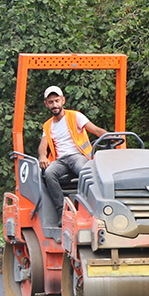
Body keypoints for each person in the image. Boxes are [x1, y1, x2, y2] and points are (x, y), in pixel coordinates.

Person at [37, 84, 106, 224]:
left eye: (57, 100)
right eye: (51, 102)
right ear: (46, 104)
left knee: (84, 171)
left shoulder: (75, 116)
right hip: (61, 160)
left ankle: (89, 210)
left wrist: (115, 138)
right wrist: (43, 156)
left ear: (63, 100)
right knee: (49, 173)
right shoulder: (48, 125)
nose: (54, 104)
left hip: (78, 156)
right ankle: (62, 211)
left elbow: (97, 131)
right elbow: (42, 146)